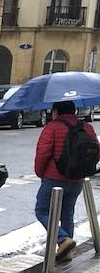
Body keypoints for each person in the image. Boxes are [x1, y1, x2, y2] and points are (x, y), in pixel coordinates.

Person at [34, 100, 98, 261]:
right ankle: (66, 252)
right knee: (67, 213)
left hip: (54, 178)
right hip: (77, 179)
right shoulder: (87, 127)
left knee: (42, 210)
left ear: (55, 111)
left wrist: (40, 173)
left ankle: (63, 240)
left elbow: (43, 153)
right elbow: (96, 151)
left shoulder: (52, 127)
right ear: (74, 111)